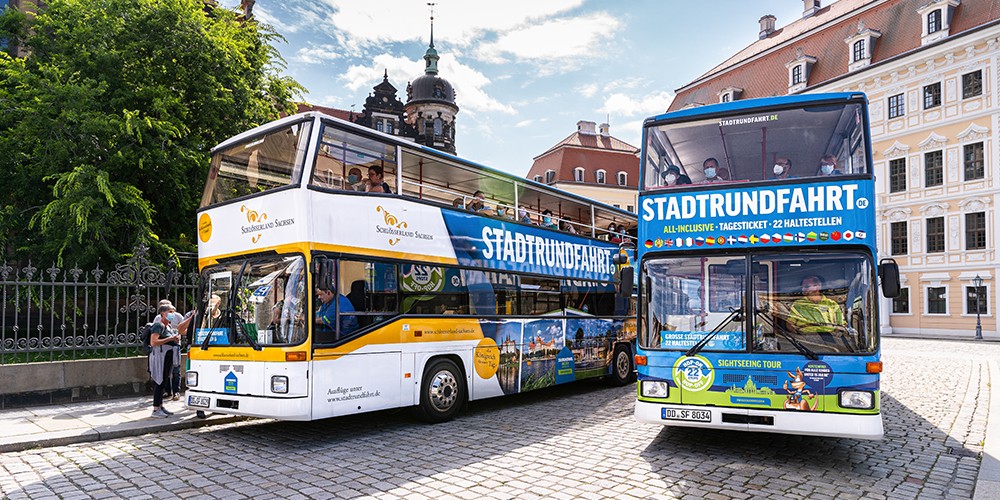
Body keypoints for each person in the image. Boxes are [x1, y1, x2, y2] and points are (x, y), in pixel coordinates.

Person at [148, 304, 182, 418]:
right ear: (163, 313)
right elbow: (154, 342)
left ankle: (161, 406)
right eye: (170, 311)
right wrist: (171, 339)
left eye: (173, 311)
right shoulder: (158, 325)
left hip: (167, 358)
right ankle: (155, 409)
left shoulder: (168, 326)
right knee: (159, 381)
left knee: (163, 380)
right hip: (160, 358)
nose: (173, 314)